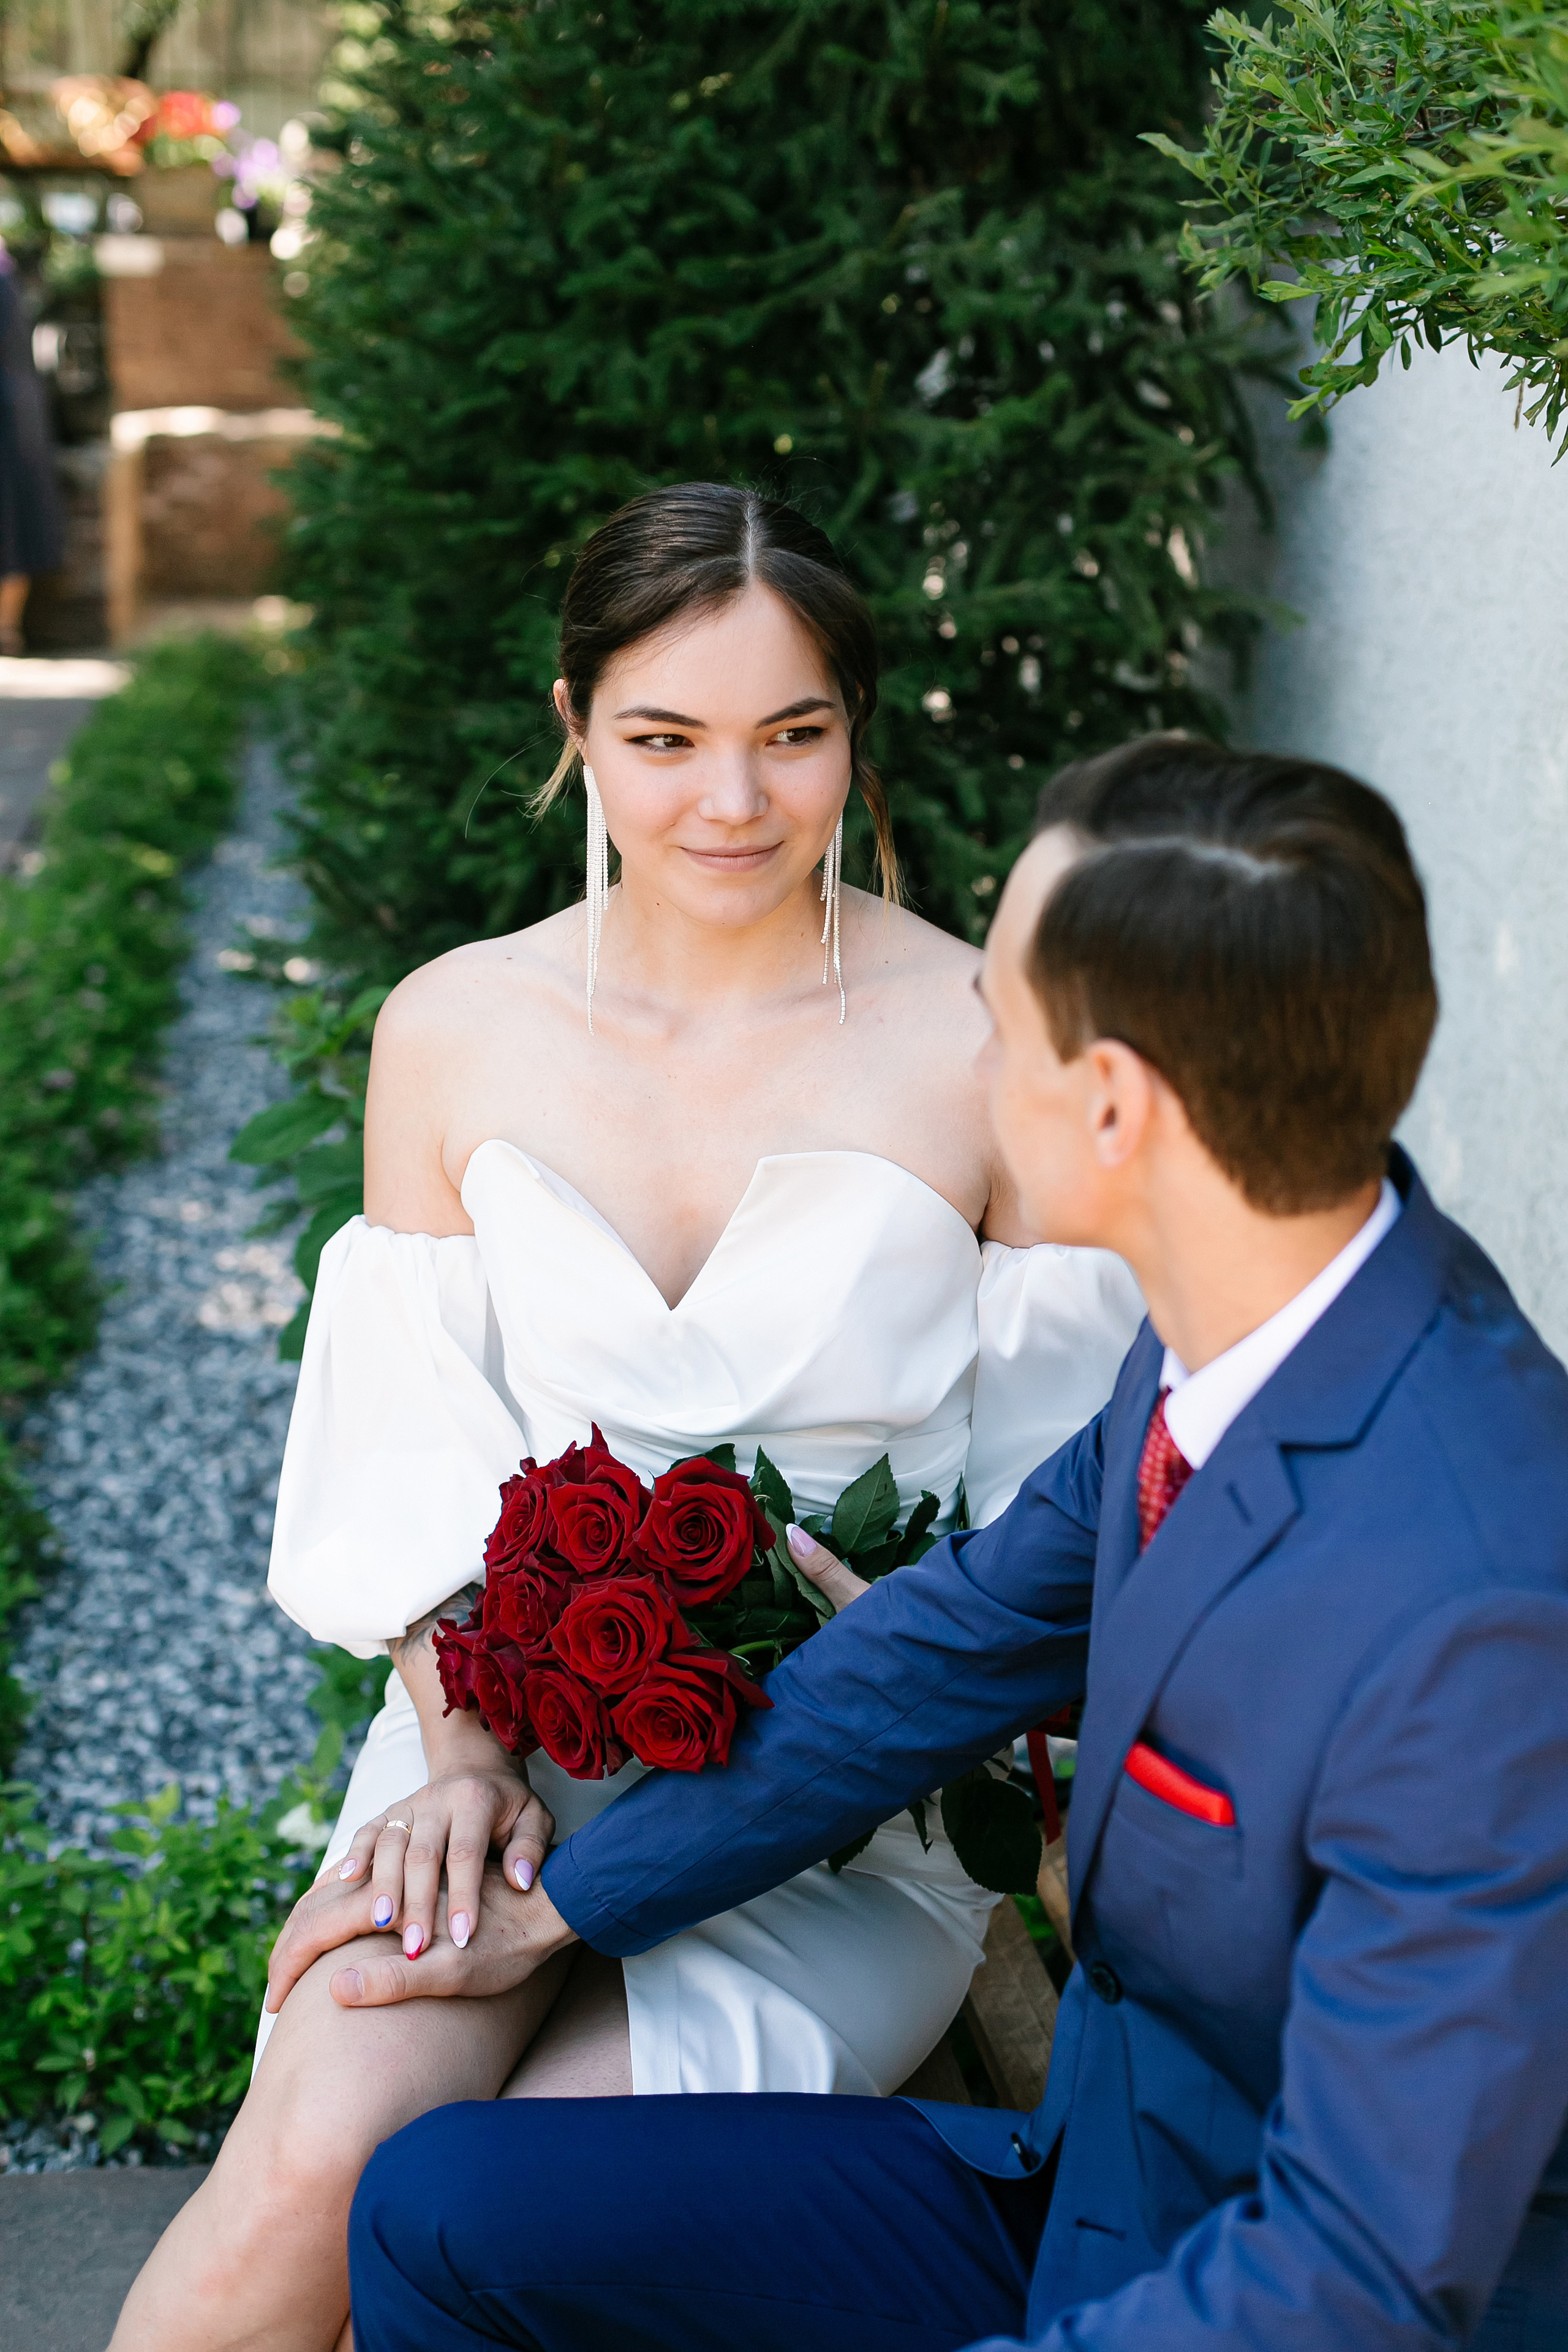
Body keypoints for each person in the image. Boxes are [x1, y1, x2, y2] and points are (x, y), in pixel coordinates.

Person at [331, 734, 1568, 2351]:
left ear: (1110, 1106)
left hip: (1259, 2284)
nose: (963, 1058)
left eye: (1000, 1026)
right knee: (446, 2211)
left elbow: (1366, 2272)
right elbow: (939, 1652)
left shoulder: (1477, 1609)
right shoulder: (1270, 1313)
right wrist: (558, 1905)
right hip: (1116, 2179)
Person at [107, 484, 1144, 2352]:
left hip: (838, 1809)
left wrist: (886, 1676)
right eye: (664, 739)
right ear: (574, 724)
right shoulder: (453, 1026)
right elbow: (414, 1460)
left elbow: (1067, 1539)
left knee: (541, 2196)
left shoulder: (989, 1042)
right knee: (308, 2165)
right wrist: (460, 1751)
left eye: (791, 736)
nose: (730, 803)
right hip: (498, 1759)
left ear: (854, 732)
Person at [0, 253, 65, 657]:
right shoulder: (8, 279)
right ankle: (7, 628)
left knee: (13, 523)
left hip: (11, 420)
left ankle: (6, 627)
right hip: (19, 413)